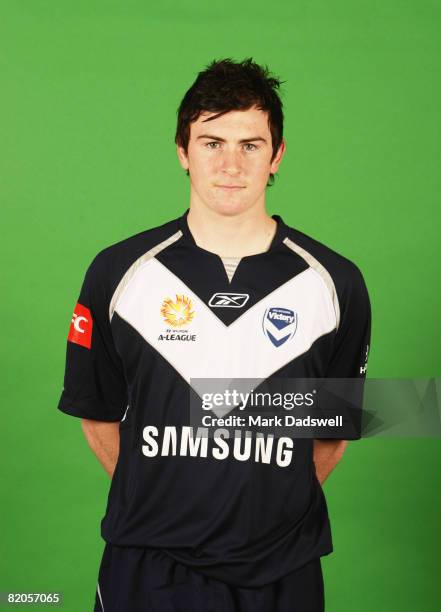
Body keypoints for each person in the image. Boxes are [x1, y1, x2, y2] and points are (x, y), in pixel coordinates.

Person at [58, 58, 371, 612]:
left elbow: (333, 431)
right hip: (148, 567)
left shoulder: (334, 283)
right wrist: (164, 497)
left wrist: (267, 513)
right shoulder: (118, 273)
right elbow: (97, 411)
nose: (231, 164)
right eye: (211, 142)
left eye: (250, 145)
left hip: (283, 568)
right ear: (183, 150)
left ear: (276, 156)